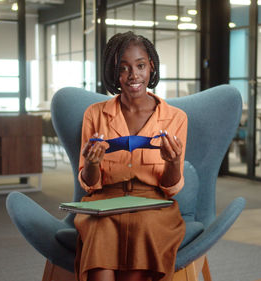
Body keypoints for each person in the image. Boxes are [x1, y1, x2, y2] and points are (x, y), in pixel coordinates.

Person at [74, 31, 188, 281]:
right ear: (114, 72)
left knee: (143, 229)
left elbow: (170, 188)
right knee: (99, 229)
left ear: (151, 67)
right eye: (123, 68)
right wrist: (92, 164)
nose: (133, 75)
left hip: (153, 203)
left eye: (140, 65)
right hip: (105, 200)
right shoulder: (94, 115)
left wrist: (174, 162)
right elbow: (90, 184)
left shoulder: (176, 118)